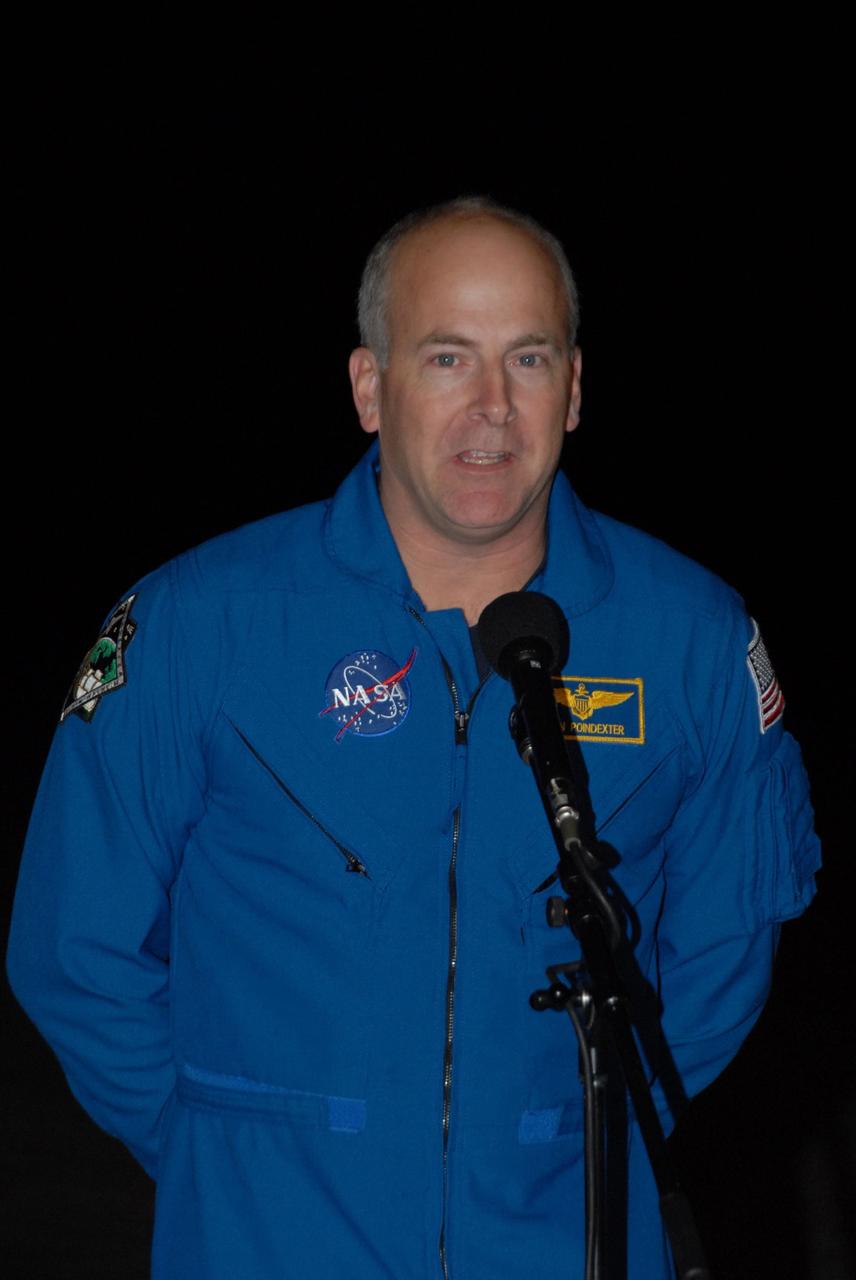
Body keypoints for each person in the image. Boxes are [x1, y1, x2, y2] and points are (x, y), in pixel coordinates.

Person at [7, 197, 821, 1278]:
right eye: (447, 357)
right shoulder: (201, 623)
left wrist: (561, 1133)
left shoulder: (694, 641)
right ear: (367, 385)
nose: (491, 407)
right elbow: (75, 951)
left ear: (573, 390)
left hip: (568, 1236)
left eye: (527, 358)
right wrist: (232, 1142)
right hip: (266, 1238)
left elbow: (722, 958)